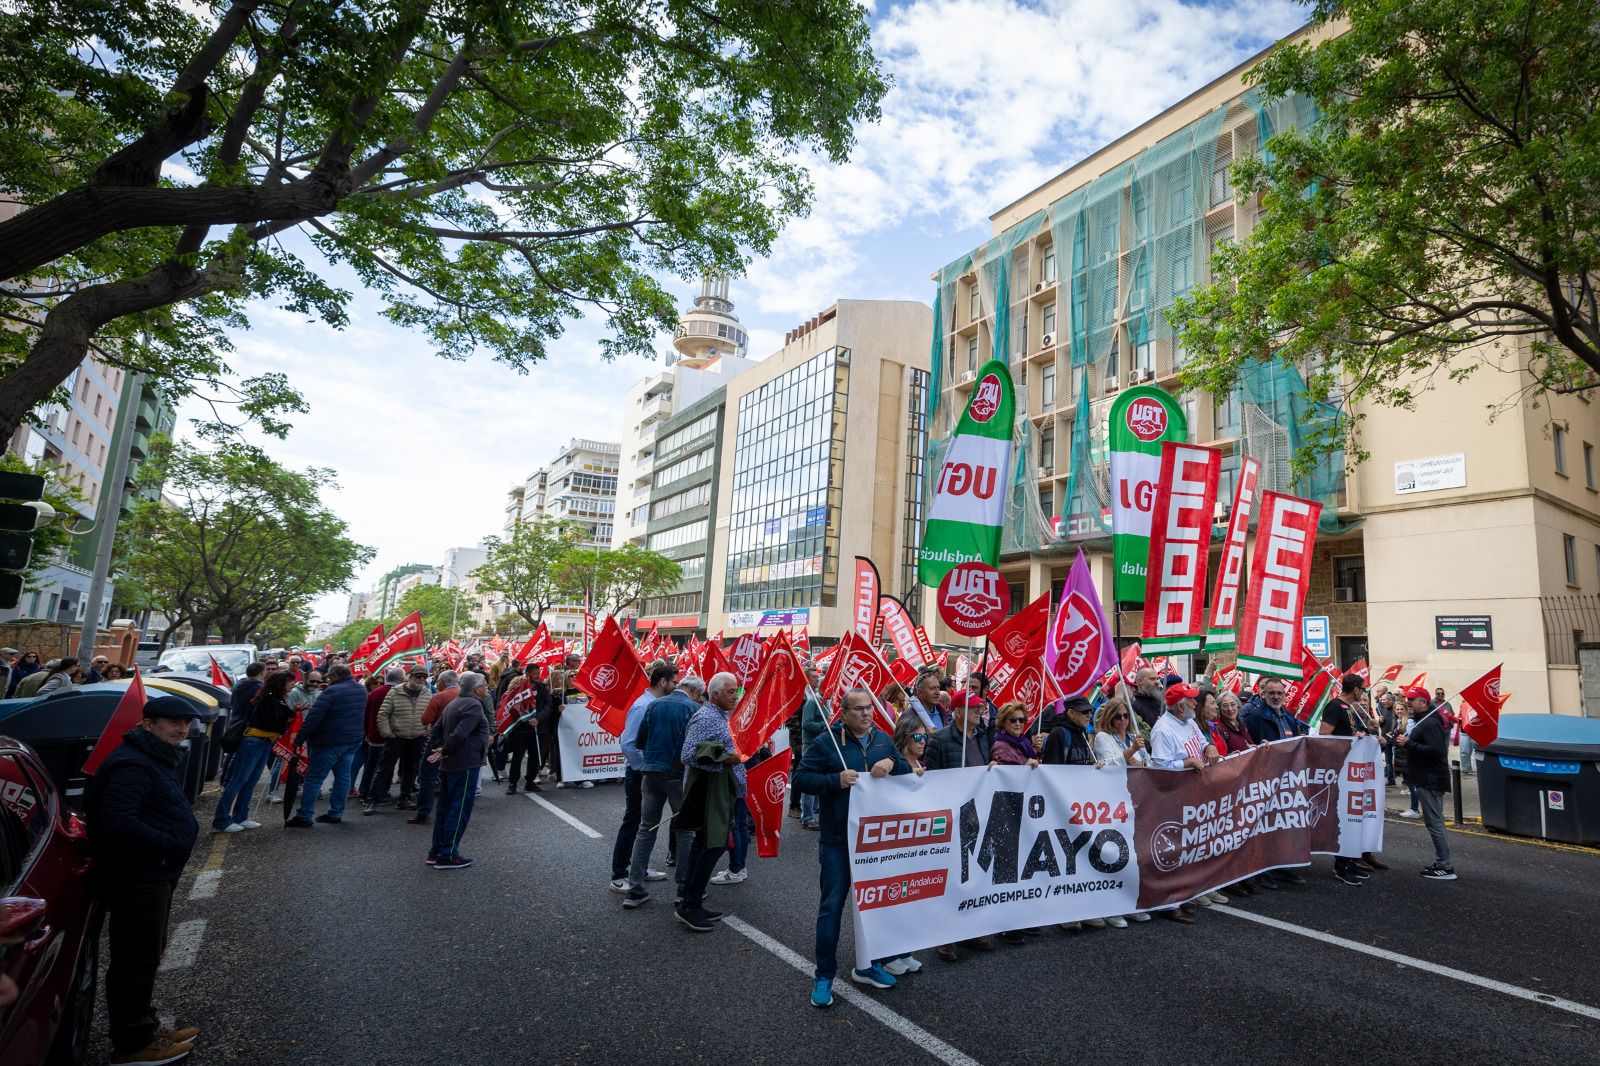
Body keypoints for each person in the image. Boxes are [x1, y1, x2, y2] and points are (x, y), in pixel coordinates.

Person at [82, 695, 203, 1065]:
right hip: (137, 877)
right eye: (173, 722)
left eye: (186, 723)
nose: (182, 729)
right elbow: (117, 826)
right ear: (148, 724)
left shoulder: (154, 756)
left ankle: (144, 1026)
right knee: (135, 959)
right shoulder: (133, 764)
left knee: (145, 955)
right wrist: (169, 846)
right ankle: (133, 1044)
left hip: (151, 873)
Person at [794, 687, 912, 1006]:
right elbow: (801, 778)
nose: (866, 713)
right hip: (838, 841)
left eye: (869, 707)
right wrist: (835, 780)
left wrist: (891, 761)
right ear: (844, 714)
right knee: (831, 908)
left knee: (874, 907)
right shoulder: (826, 742)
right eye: (858, 709)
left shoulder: (883, 739)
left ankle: (869, 965)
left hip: (874, 843)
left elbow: (905, 768)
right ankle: (823, 976)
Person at [924, 692, 995, 959]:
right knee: (952, 877)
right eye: (973, 707)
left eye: (980, 707)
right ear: (957, 712)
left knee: (975, 874)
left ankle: (971, 930)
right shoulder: (940, 740)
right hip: (954, 816)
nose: (979, 711)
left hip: (979, 813)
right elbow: (932, 779)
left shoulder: (983, 736)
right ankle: (944, 936)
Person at [622, 674, 702, 909]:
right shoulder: (693, 708)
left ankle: (634, 889)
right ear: (696, 693)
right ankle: (683, 890)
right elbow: (695, 747)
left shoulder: (654, 705)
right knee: (685, 830)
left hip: (650, 771)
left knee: (646, 828)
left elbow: (639, 741)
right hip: (677, 773)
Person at [674, 672, 745, 931]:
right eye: (730, 691)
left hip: (720, 789)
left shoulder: (721, 716)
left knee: (704, 845)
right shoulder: (705, 717)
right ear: (714, 694)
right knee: (714, 845)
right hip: (709, 791)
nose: (735, 696)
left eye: (737, 691)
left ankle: (690, 901)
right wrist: (725, 758)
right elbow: (687, 754)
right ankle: (689, 905)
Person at [613, 663, 678, 892]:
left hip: (648, 771)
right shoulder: (642, 706)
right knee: (633, 822)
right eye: (674, 682)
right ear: (663, 682)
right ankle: (619, 874)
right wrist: (643, 768)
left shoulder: (655, 704)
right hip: (639, 772)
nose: (676, 686)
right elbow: (628, 743)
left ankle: (638, 868)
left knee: (647, 823)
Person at [212, 669, 295, 833]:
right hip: (254, 741)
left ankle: (240, 817)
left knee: (249, 782)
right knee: (238, 781)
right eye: (289, 681)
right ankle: (222, 820)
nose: (292, 684)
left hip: (261, 742)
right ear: (281, 684)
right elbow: (274, 722)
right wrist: (291, 713)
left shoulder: (273, 697)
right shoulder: (270, 698)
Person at [286, 663, 366, 828]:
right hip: (352, 739)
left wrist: (299, 739)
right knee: (343, 777)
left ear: (335, 676)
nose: (327, 680)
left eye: (329, 677)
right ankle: (336, 812)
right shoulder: (361, 689)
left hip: (328, 741)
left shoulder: (331, 692)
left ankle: (304, 815)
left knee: (314, 779)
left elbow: (314, 718)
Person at [426, 671, 491, 869]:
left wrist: (440, 748)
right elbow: (460, 733)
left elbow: (435, 730)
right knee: (459, 809)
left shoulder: (454, 703)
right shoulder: (473, 705)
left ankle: (436, 851)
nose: (487, 689)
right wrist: (444, 750)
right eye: (485, 685)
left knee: (446, 808)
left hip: (453, 763)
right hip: (465, 763)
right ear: (477, 689)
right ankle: (448, 854)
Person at [1395, 686, 1456, 880]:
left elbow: (1437, 751)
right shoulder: (1425, 720)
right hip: (1427, 778)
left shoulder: (1429, 722)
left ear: (1423, 702)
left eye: (1412, 700)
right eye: (1408, 699)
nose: (1408, 703)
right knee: (1435, 822)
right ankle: (1443, 863)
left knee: (1434, 823)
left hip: (1431, 779)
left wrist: (1409, 744)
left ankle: (1445, 867)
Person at [368, 665, 431, 813]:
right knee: (384, 769)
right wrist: (388, 733)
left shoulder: (427, 693)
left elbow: (429, 713)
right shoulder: (395, 692)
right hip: (396, 737)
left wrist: (427, 728)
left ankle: (404, 798)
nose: (421, 679)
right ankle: (371, 800)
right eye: (418, 676)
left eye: (424, 676)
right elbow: (383, 714)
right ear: (410, 676)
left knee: (411, 769)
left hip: (416, 737)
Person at [410, 670, 459, 825]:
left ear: (443, 682)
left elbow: (425, 720)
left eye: (438, 682)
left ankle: (423, 812)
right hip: (459, 742)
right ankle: (452, 812)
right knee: (453, 777)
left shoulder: (438, 697)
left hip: (437, 741)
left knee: (428, 777)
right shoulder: (465, 696)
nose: (437, 684)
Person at [504, 666, 548, 793]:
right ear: (527, 673)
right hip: (521, 729)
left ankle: (530, 781)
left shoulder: (542, 688)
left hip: (537, 728)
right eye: (535, 673)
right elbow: (513, 706)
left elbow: (547, 706)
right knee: (517, 757)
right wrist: (525, 718)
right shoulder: (519, 688)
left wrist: (538, 719)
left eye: (538, 672)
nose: (537, 675)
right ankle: (513, 783)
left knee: (535, 757)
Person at [357, 669, 399, 803]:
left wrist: (367, 732)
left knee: (371, 765)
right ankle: (377, 794)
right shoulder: (397, 693)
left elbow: (366, 715)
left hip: (373, 735)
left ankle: (365, 791)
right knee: (384, 767)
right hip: (387, 736)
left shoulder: (374, 693)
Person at [1092, 697, 1148, 768]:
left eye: (1126, 715)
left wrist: (1141, 764)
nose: (1123, 719)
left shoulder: (1134, 737)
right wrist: (1132, 750)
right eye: (1118, 716)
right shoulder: (1102, 737)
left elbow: (1150, 763)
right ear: (1110, 717)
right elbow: (1107, 765)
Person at [1042, 697, 1098, 766]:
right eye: (1084, 711)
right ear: (1071, 713)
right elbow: (1051, 766)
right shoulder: (1058, 733)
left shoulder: (1083, 731)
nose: (1089, 715)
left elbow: (1084, 762)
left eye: (1090, 711)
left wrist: (1095, 765)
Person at [990, 701, 1040, 766]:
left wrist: (1037, 750)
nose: (1018, 723)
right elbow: (1007, 771)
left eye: (1021, 720)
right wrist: (1026, 766)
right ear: (1003, 722)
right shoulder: (1000, 746)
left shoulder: (1025, 742)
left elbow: (1037, 764)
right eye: (1013, 720)